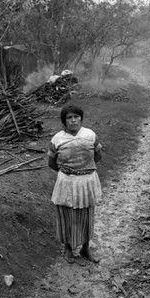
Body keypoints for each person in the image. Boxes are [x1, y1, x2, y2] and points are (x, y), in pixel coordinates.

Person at [48, 104, 102, 264]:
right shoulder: (57, 139)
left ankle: (86, 248)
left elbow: (98, 156)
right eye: (69, 118)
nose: (73, 121)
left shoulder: (90, 135)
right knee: (66, 215)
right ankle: (68, 249)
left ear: (81, 118)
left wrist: (83, 170)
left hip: (87, 182)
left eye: (76, 117)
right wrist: (69, 172)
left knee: (86, 215)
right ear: (64, 122)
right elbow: (51, 162)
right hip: (67, 182)